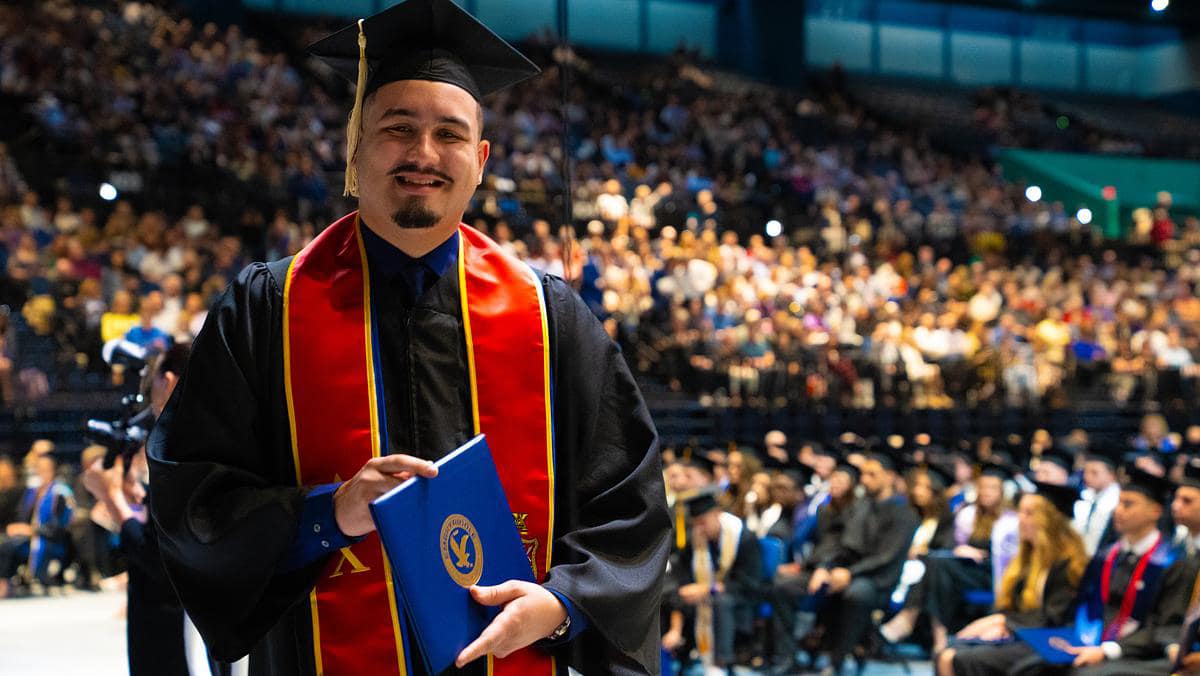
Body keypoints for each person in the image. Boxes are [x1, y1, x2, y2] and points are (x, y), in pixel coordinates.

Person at [147, 2, 669, 674]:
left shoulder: (550, 318)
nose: (423, 154)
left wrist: (561, 603)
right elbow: (192, 499)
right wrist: (329, 513)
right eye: (398, 128)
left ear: (480, 160)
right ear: (355, 147)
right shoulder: (267, 310)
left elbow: (629, 505)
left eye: (450, 134)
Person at [940, 481, 1089, 676]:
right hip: (1024, 632)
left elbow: (1053, 618)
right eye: (1021, 511)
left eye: (1029, 513)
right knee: (948, 651)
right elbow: (1011, 605)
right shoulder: (1027, 558)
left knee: (960, 658)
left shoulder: (1068, 564)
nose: (1020, 519)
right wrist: (998, 622)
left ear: (1048, 521)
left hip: (1048, 640)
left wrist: (1004, 624)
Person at [808, 446, 918, 674]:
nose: (865, 480)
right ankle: (789, 654)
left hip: (879, 581)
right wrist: (826, 567)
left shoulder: (904, 514)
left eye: (872, 474)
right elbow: (840, 543)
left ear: (890, 477)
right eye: (863, 474)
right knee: (786, 585)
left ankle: (837, 661)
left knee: (856, 593)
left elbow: (885, 558)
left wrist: (850, 573)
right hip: (847, 572)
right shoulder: (860, 507)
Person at [663, 487, 763, 671]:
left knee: (720, 600)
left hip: (741, 598)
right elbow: (681, 573)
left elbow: (750, 584)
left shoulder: (744, 537)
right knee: (668, 592)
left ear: (717, 513)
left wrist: (708, 588)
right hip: (706, 597)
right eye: (696, 524)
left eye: (703, 522)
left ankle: (720, 664)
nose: (699, 529)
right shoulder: (697, 539)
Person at [0, 449, 74, 595]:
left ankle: (4, 583)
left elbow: (59, 526)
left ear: (53, 470)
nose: (42, 473)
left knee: (8, 546)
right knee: (4, 540)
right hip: (31, 536)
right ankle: (8, 581)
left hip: (49, 538)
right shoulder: (32, 492)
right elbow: (23, 517)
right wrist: (18, 528)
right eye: (39, 469)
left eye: (46, 469)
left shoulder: (60, 492)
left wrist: (31, 530)